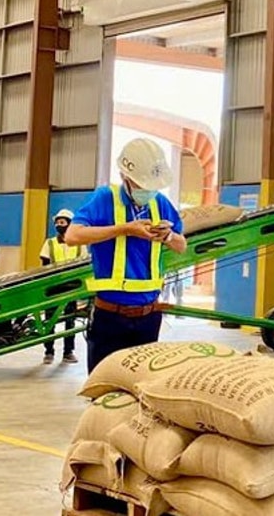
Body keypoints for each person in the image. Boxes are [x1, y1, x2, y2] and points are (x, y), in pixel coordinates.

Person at [64, 138, 187, 373]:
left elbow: (182, 245)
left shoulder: (159, 202)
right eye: (142, 185)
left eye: (152, 186)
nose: (148, 191)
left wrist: (168, 236)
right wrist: (125, 229)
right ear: (125, 177)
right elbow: (72, 235)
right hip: (111, 317)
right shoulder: (104, 198)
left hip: (149, 317)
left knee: (141, 387)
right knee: (105, 387)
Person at [40, 209, 85, 365]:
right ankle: (49, 351)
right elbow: (45, 265)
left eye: (63, 222)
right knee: (49, 321)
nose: (60, 225)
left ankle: (68, 351)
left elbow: (83, 265)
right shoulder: (50, 243)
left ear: (70, 224)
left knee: (70, 320)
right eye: (58, 223)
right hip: (53, 287)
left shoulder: (80, 243)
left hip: (72, 286)